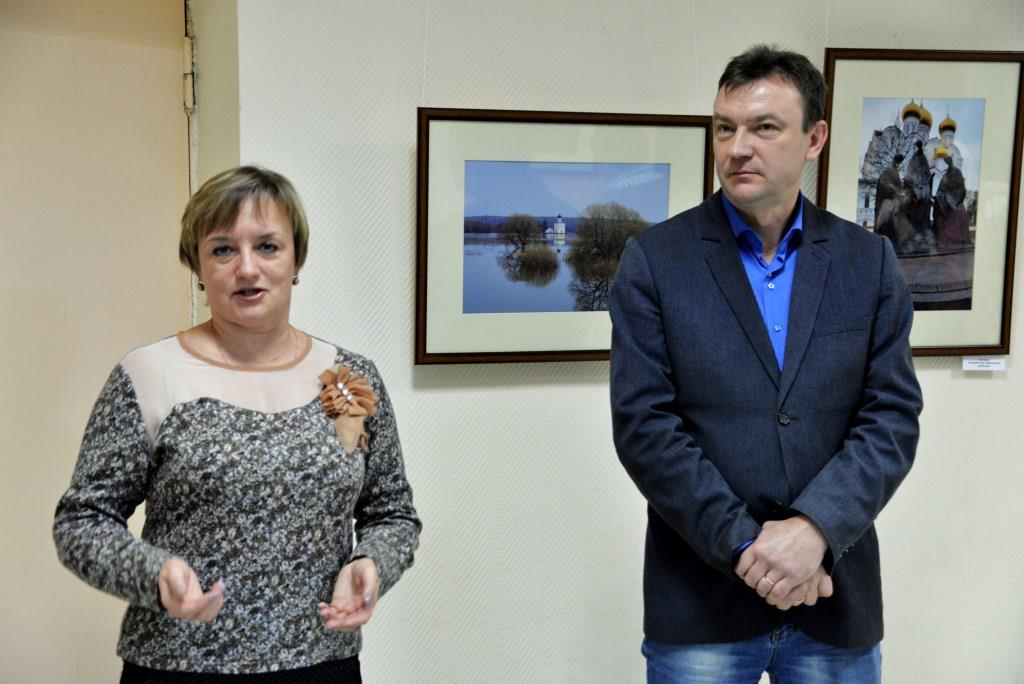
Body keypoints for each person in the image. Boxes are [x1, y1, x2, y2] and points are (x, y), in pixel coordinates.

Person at [609, 45, 921, 683]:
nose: (737, 148)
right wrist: (749, 547)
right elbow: (645, 427)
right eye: (725, 128)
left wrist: (814, 531)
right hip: (701, 604)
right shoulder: (655, 261)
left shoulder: (867, 262)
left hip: (834, 598)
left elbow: (891, 418)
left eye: (764, 128)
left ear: (815, 139)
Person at [53, 166, 421, 682]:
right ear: (198, 267)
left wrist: (372, 564)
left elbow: (392, 513)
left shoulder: (348, 378)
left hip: (323, 665)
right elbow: (81, 522)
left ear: (296, 260)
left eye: (267, 246)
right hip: (179, 667)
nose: (247, 268)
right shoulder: (150, 374)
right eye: (223, 250)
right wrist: (154, 573)